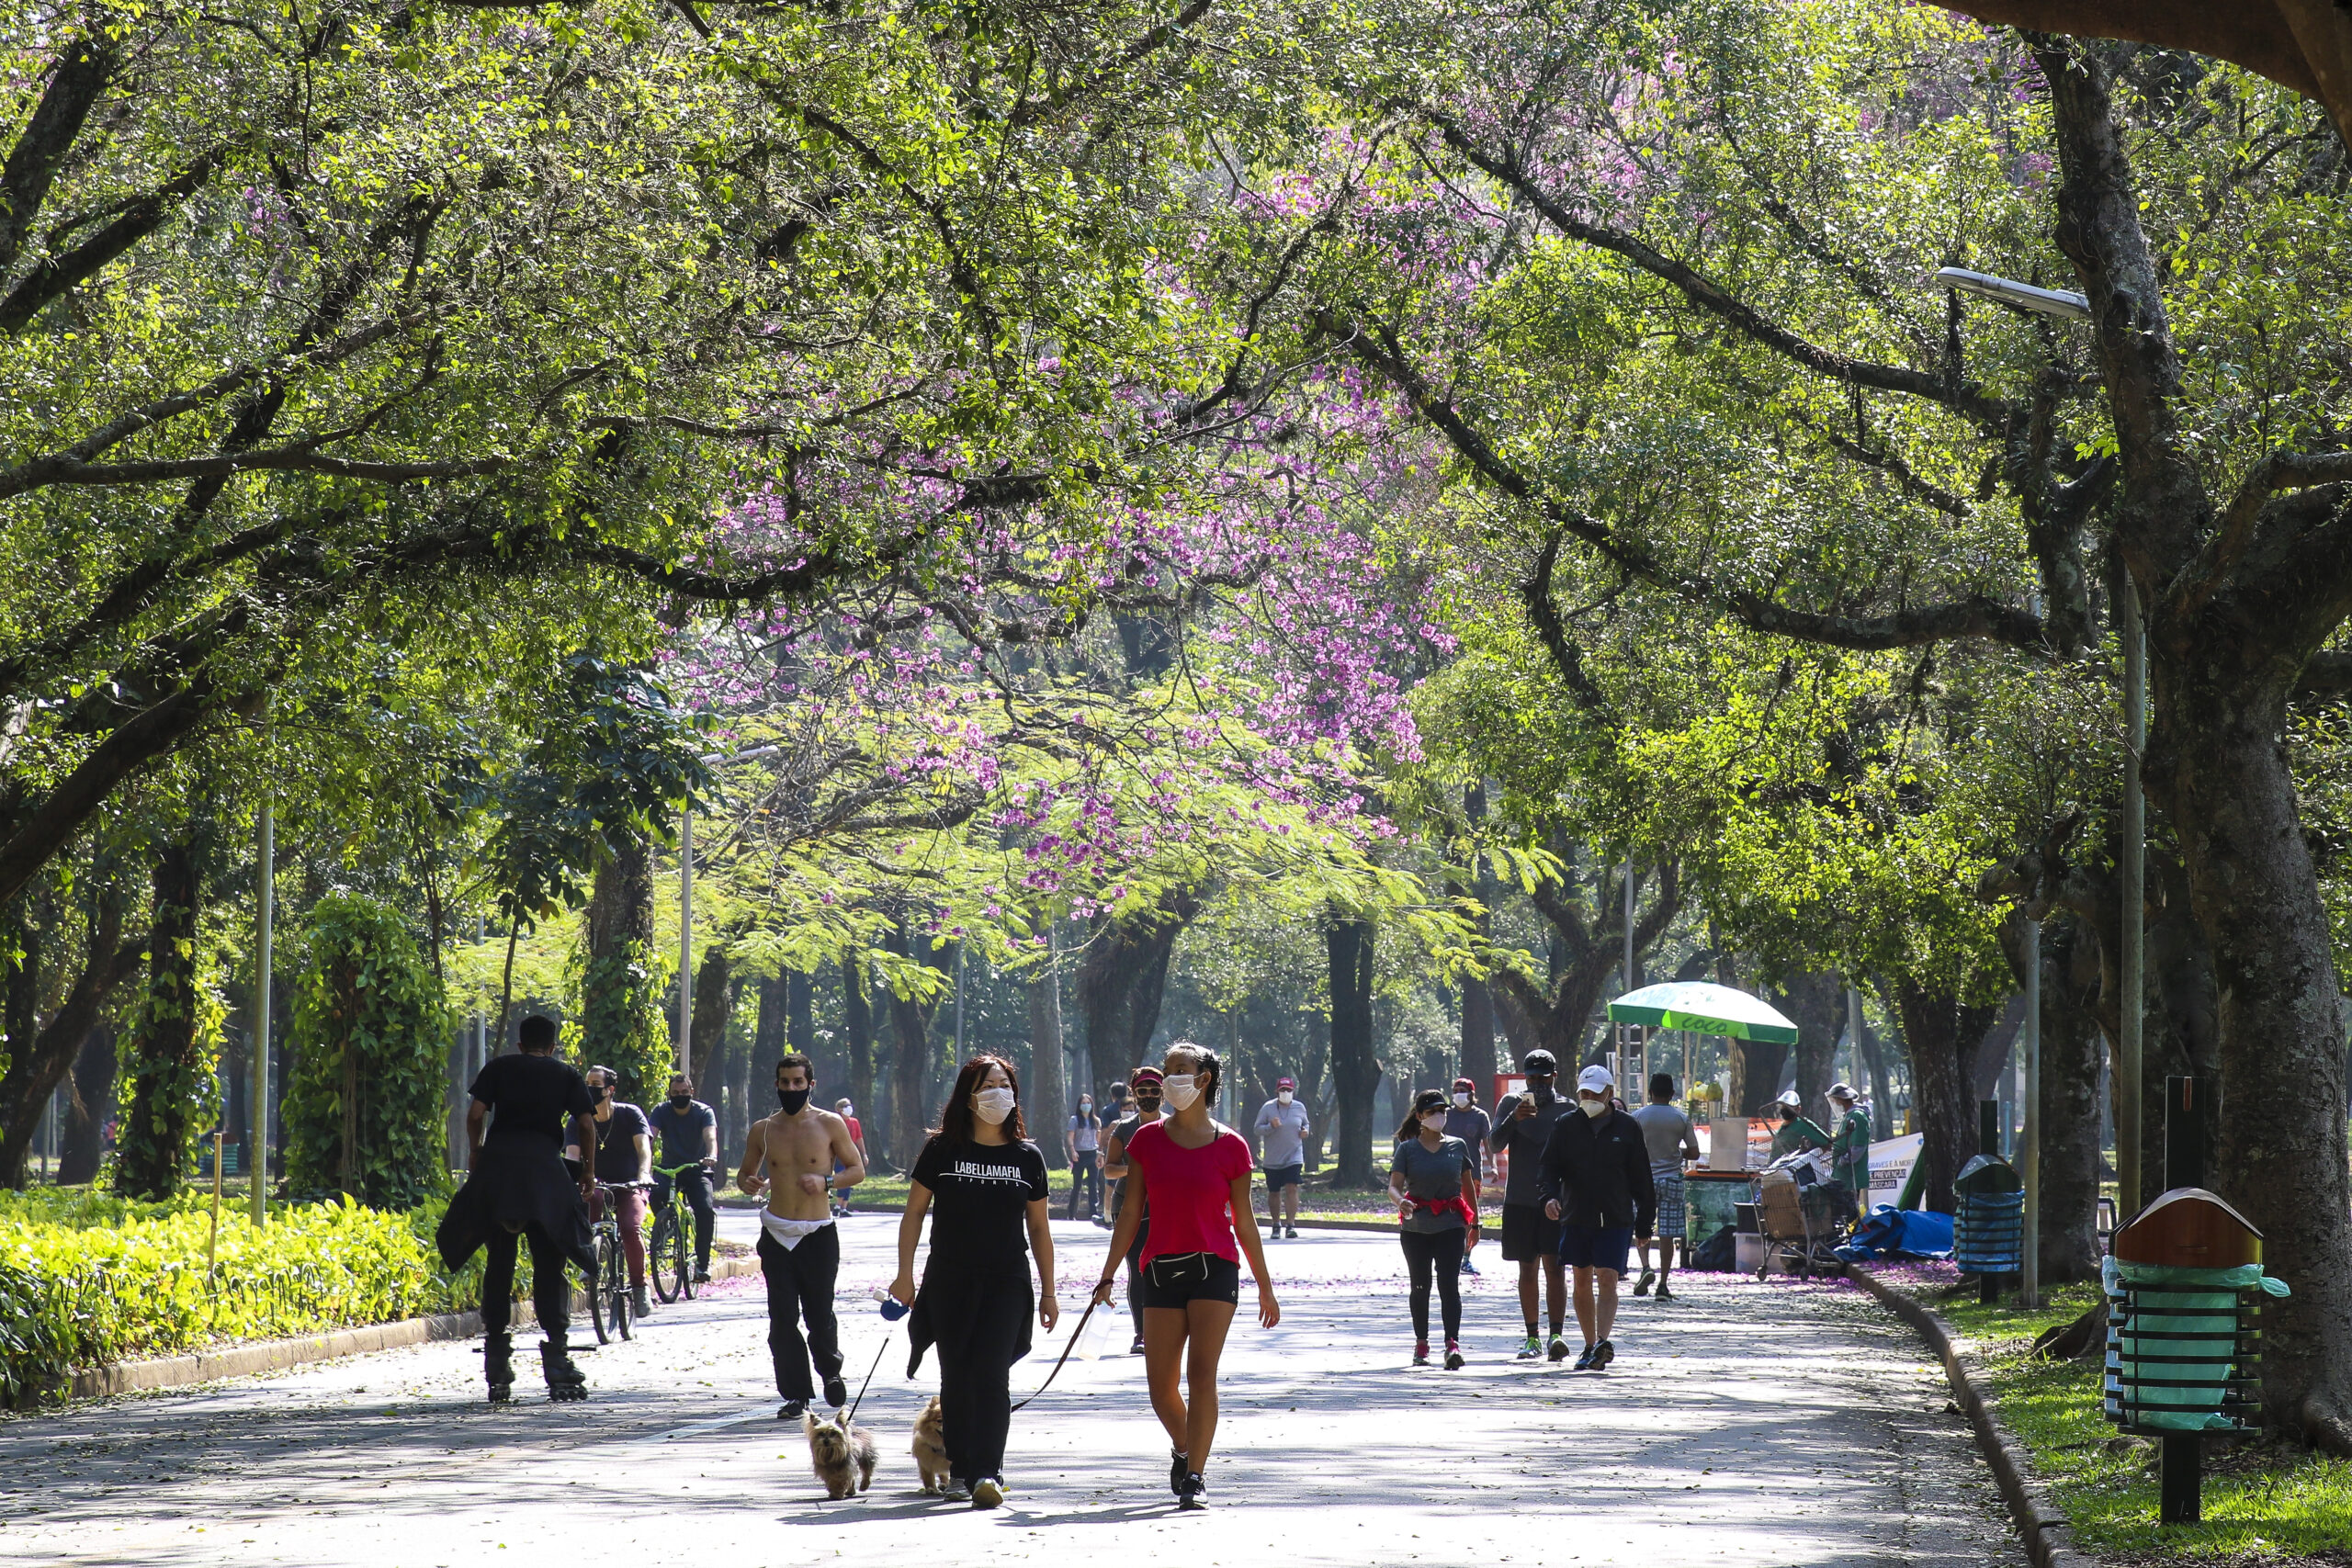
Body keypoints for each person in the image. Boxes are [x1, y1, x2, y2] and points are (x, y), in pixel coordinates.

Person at [1094, 1042, 1279, 1510]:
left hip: (1215, 1269)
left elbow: (1245, 1221)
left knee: (1201, 1375)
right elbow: (1131, 1211)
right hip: (1158, 1269)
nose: (1173, 1077)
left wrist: (1265, 1286)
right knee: (1160, 1386)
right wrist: (1108, 1273)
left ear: (1204, 1080)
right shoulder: (1146, 1141)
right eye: (1169, 1068)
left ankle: (1195, 1474)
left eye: (1182, 1070)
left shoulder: (1232, 1145)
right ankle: (1183, 1446)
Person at [890, 1055, 1057, 1510]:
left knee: (991, 1372)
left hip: (1007, 1280)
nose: (998, 1093)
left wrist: (1049, 1290)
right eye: (988, 1085)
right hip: (949, 1279)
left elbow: (1039, 1229)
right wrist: (905, 1274)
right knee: (957, 1376)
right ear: (969, 1094)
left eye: (1005, 1084)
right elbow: (913, 1215)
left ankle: (988, 1470)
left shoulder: (1028, 1157)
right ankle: (963, 1466)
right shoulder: (942, 1150)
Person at [435, 1014, 597, 1402]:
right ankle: (557, 1359)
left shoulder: (499, 1068)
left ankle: (497, 1361)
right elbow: (587, 1125)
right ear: (552, 1046)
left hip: (499, 1174)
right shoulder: (565, 1074)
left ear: (520, 1044)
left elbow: (476, 1115)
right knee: (550, 1263)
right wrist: (588, 1171)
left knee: (499, 1263)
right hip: (544, 1174)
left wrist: (476, 1151)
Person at [736, 1053, 865, 1418]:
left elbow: (856, 1170)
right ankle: (796, 1394)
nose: (790, 1088)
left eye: (797, 1082)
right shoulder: (763, 1128)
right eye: (784, 1082)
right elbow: (744, 1175)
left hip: (818, 1233)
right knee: (782, 1318)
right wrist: (749, 1182)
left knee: (819, 1312)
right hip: (777, 1232)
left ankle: (831, 1372)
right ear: (776, 1084)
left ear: (811, 1084)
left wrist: (826, 1181)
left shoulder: (831, 1124)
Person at [1539, 1065, 1655, 1371]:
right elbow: (1548, 1168)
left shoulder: (1628, 1128)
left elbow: (1642, 1177)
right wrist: (1549, 1197)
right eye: (1584, 1094)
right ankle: (1589, 1344)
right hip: (1577, 1215)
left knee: (1607, 1276)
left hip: (1615, 1217)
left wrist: (1645, 1221)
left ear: (1610, 1094)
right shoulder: (1566, 1125)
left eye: (1595, 1094)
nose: (1589, 1098)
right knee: (1580, 1277)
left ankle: (1603, 1340)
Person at [1490, 1048, 1573, 1361]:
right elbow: (1495, 1142)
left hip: (1555, 1202)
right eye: (1531, 1077)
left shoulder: (1567, 1108)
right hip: (1520, 1200)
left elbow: (1577, 1156)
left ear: (1554, 1076)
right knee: (1528, 1268)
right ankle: (1532, 1337)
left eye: (1543, 1077)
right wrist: (1514, 1119)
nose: (1537, 1083)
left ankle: (1556, 1335)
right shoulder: (1512, 1104)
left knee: (1555, 1268)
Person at [1390, 1089, 1477, 1369]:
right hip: (1416, 1228)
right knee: (1420, 1285)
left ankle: (1452, 1344)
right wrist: (1400, 1201)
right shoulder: (1407, 1149)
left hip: (1450, 1225)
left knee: (1449, 1285)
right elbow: (1393, 1186)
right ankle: (1421, 1343)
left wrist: (1474, 1222)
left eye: (1443, 1110)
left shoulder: (1457, 1146)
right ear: (1420, 1117)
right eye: (1432, 1112)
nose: (1439, 1116)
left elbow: (1468, 1186)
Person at [582, 1066, 654, 1317]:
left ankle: (639, 1286)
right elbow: (571, 1152)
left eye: (595, 1085)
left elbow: (644, 1149)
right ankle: (589, 1256)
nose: (589, 1089)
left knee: (630, 1229)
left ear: (609, 1090)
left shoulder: (630, 1114)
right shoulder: (579, 1118)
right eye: (586, 1083)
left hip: (629, 1184)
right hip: (596, 1183)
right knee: (589, 1201)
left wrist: (643, 1175)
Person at [1101, 1066, 1164, 1353]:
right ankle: (1142, 1334)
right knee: (1138, 1270)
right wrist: (1135, 1169)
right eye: (1143, 1091)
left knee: (1161, 1270)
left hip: (1166, 1208)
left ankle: (1164, 1331)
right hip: (1129, 1208)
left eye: (1154, 1091)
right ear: (1134, 1095)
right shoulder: (1123, 1129)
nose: (1149, 1096)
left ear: (1164, 1094)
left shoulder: (1175, 1128)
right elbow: (1110, 1170)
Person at [1629, 1072, 1701, 1301]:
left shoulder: (1637, 1117)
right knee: (1667, 1234)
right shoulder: (1680, 1119)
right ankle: (1663, 1284)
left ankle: (1646, 1267)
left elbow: (1628, 1150)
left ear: (1650, 1092)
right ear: (1672, 1094)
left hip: (1643, 1181)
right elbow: (1694, 1152)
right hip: (1671, 1180)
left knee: (1643, 1226)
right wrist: (1676, 1152)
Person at [648, 1072, 719, 1283]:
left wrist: (712, 1155)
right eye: (675, 1093)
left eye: (684, 1092)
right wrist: (642, 1157)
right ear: (669, 1093)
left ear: (692, 1092)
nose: (680, 1096)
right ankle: (666, 1227)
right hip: (670, 1168)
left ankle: (702, 1265)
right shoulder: (661, 1111)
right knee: (655, 1194)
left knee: (705, 1210)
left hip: (697, 1169)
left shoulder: (704, 1112)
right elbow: (650, 1136)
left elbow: (710, 1136)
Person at [1442, 1077, 1491, 1275]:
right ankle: (1446, 1256)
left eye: (1462, 1090)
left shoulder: (1480, 1116)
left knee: (1469, 1216)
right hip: (1447, 1171)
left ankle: (1465, 1258)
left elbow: (1487, 1145)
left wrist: (1493, 1167)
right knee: (1447, 1214)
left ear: (1471, 1094)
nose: (1458, 1094)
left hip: (1472, 1173)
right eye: (1456, 1090)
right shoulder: (1445, 1115)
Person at [1251, 1076, 1310, 1238]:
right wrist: (1271, 1126)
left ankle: (1290, 1224)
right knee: (1274, 1192)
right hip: (1273, 1158)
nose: (1286, 1092)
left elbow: (1306, 1124)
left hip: (1294, 1155)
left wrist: (1305, 1131)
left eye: (1289, 1090)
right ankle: (1276, 1224)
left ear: (1293, 1091)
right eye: (1283, 1090)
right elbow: (1257, 1129)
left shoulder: (1299, 1107)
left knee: (1292, 1187)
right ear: (1277, 1091)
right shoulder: (1268, 1108)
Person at [1066, 1092, 1105, 1221]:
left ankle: (1093, 1212)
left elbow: (1099, 1140)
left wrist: (1100, 1154)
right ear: (1079, 1105)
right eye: (1083, 1103)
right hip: (1079, 1154)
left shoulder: (1096, 1121)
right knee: (1077, 1185)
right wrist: (1072, 1151)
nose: (1086, 1105)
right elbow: (1070, 1137)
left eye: (1088, 1103)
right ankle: (1071, 1213)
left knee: (1093, 1184)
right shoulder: (1074, 1120)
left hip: (1092, 1154)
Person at [1826, 1083, 1871, 1193]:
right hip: (1843, 1175)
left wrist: (1844, 1160)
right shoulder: (1847, 1116)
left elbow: (1858, 1147)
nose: (1835, 1103)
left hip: (1851, 1175)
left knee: (1851, 1207)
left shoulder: (1857, 1116)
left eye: (1835, 1100)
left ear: (1841, 1100)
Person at [1770, 1094, 1834, 1161]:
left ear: (1798, 1109)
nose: (1785, 1109)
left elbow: (1827, 1143)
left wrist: (1807, 1157)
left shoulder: (1803, 1124)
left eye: (1789, 1107)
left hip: (1792, 1168)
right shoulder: (1783, 1125)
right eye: (1783, 1107)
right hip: (1776, 1167)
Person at [832, 1098, 868, 1216]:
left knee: (851, 1179)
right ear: (840, 1109)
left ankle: (843, 1207)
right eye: (846, 1106)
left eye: (849, 1105)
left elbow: (859, 1138)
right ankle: (837, 1205)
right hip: (839, 1155)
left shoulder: (854, 1122)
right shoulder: (836, 1121)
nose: (849, 1108)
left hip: (852, 1154)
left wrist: (864, 1154)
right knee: (841, 1178)